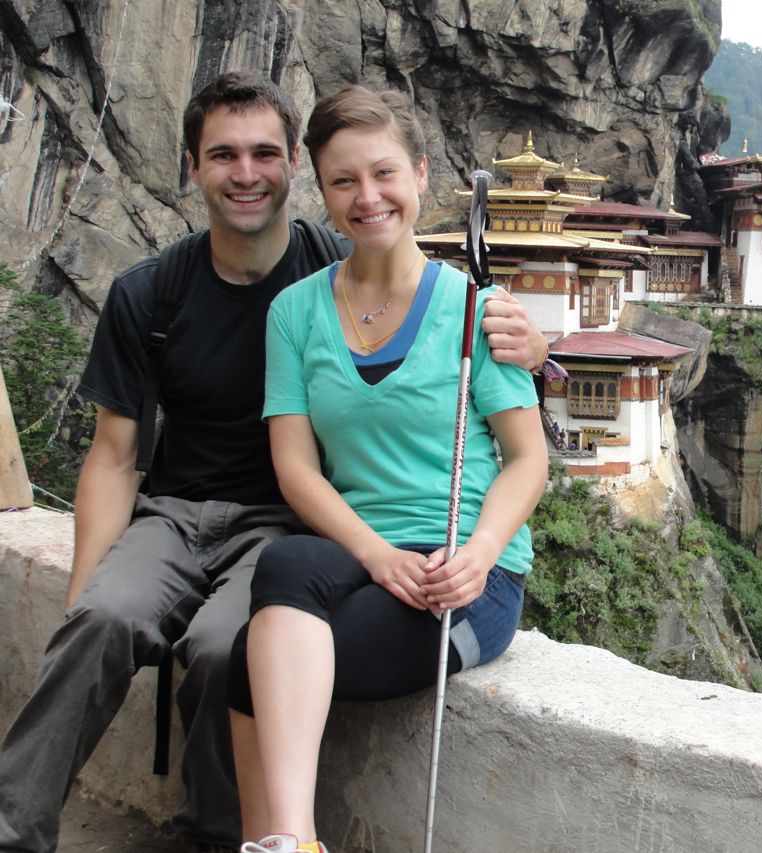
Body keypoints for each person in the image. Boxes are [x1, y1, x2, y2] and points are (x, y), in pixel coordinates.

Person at [0, 73, 547, 853]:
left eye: (264, 153)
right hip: (188, 516)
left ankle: (221, 835)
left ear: (292, 165)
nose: (246, 173)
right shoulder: (160, 294)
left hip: (284, 527)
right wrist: (83, 589)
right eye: (223, 155)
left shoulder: (357, 264)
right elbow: (114, 458)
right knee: (102, 617)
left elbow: (443, 321)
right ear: (192, 165)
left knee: (229, 648)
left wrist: (541, 347)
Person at [223, 84, 547, 853]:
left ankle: (279, 842)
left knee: (248, 663)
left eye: (384, 173)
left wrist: (479, 554)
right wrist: (375, 554)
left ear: (421, 174)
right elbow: (296, 468)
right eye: (344, 181)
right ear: (322, 190)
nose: (367, 197)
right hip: (358, 555)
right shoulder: (294, 312)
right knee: (286, 563)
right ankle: (293, 842)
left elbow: (528, 458)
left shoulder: (478, 309)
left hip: (460, 569)